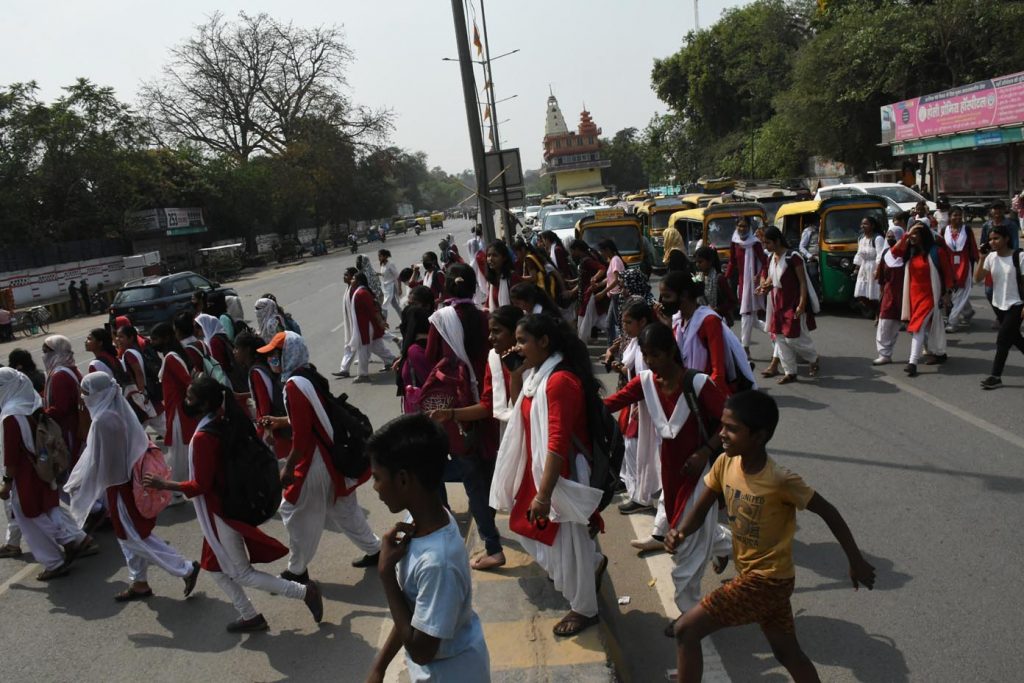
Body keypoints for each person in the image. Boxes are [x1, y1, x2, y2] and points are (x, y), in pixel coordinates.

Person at [669, 390, 876, 682]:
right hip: (763, 578)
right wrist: (680, 532)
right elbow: (701, 509)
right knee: (787, 653)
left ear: (759, 436)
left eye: (732, 429)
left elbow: (829, 512)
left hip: (766, 581)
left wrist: (856, 561)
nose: (722, 435)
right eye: (722, 426)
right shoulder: (725, 463)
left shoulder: (780, 479)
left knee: (686, 629)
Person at [144, 376, 324, 632]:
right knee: (214, 567)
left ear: (205, 403)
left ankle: (303, 592)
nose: (186, 402)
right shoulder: (226, 421)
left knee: (241, 573)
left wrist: (165, 485)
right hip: (225, 509)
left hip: (220, 514)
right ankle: (249, 615)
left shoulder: (205, 437)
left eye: (190, 399)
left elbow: (200, 486)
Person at [604, 323, 732, 632]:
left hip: (701, 474)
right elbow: (612, 402)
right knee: (692, 529)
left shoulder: (698, 384)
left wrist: (705, 450)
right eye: (646, 355)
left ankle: (689, 617)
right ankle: (727, 545)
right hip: (671, 473)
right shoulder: (646, 382)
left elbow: (729, 422)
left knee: (684, 550)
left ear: (672, 352)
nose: (650, 361)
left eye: (656, 354)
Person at [489, 314, 607, 638]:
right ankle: (592, 567)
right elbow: (519, 411)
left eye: (522, 340)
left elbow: (556, 442)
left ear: (544, 342)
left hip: (563, 474)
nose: (516, 346)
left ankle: (585, 608)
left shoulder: (559, 382)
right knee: (528, 528)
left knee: (571, 543)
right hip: (541, 470)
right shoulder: (536, 377)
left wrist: (543, 495)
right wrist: (516, 372)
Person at [366, 414, 491, 682]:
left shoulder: (437, 563)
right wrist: (379, 666)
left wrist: (386, 575)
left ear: (403, 480)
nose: (375, 488)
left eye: (377, 477)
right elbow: (413, 611)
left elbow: (421, 650)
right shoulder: (422, 520)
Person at [257, 332, 382, 583]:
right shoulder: (306, 374)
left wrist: (289, 468)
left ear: (288, 354)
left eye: (275, 354)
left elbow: (303, 435)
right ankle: (375, 550)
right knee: (344, 508)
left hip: (317, 459)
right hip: (329, 455)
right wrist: (282, 421)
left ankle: (297, 570)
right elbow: (310, 417)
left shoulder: (294, 385)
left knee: (292, 509)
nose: (271, 359)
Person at [65, 372, 199, 601]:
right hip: (123, 483)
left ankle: (185, 568)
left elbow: (101, 461)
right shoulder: (115, 411)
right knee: (127, 536)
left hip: (121, 486)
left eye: (86, 392)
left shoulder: (103, 421)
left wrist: (85, 486)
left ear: (98, 394)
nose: (83, 396)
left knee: (133, 537)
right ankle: (139, 582)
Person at [428, 304, 525, 571]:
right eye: (489, 331)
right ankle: (492, 540)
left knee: (484, 488)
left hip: (512, 435)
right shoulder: (492, 356)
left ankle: (494, 545)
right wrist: (452, 413)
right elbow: (490, 403)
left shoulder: (521, 358)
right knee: (484, 488)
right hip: (495, 435)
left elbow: (501, 405)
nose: (491, 337)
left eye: (497, 331)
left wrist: (451, 413)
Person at [0, 368, 91, 581]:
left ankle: (55, 559)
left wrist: (7, 481)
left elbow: (12, 453)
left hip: (26, 473)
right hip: (43, 467)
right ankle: (76, 540)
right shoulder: (31, 401)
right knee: (48, 509)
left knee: (28, 516)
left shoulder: (11, 415)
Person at [658, 271, 754, 396]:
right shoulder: (677, 320)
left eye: (667, 296)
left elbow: (718, 370)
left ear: (684, 295)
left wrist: (707, 397)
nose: (662, 301)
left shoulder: (708, 321)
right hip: (686, 389)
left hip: (706, 390)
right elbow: (676, 359)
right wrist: (667, 326)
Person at [606, 300, 658, 516]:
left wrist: (640, 402)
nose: (624, 326)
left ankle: (642, 496)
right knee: (632, 446)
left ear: (642, 321)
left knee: (637, 447)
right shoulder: (636, 342)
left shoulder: (648, 344)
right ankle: (637, 490)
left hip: (646, 402)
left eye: (629, 322)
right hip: (637, 401)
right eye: (623, 322)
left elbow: (648, 376)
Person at [889, 221, 953, 377]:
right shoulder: (909, 252)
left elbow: (948, 274)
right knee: (927, 327)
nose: (913, 236)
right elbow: (894, 252)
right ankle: (938, 352)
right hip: (913, 297)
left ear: (924, 235)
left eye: (917, 233)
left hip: (931, 295)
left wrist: (947, 294)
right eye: (912, 233)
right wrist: (907, 235)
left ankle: (912, 363)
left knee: (917, 327)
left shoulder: (937, 252)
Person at [760, 227, 820, 384]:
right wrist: (764, 286)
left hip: (791, 302)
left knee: (793, 338)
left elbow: (802, 282)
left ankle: (813, 358)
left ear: (777, 241)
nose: (765, 246)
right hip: (776, 303)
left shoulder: (793, 257)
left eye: (768, 242)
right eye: (764, 243)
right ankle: (790, 372)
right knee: (780, 338)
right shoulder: (771, 258)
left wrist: (801, 303)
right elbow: (770, 279)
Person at [973, 224, 1024, 390]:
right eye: (990, 239)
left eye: (996, 238)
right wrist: (981, 257)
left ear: (1006, 239)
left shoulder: (1019, 256)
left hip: (1017, 304)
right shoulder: (991, 258)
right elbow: (978, 279)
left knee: (1003, 339)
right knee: (1015, 338)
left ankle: (995, 376)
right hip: (998, 304)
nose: (992, 242)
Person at [149, 323, 196, 489]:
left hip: (179, 414)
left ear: (166, 338)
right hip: (175, 412)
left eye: (155, 339)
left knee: (178, 455)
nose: (152, 342)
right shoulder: (169, 357)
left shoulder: (171, 358)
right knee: (179, 454)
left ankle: (174, 491)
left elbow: (188, 383)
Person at [234, 331, 291, 458]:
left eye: (237, 348)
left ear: (247, 350)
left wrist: (266, 431)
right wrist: (242, 395)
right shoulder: (261, 366)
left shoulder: (255, 372)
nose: (234, 352)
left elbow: (264, 405)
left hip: (274, 432)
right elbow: (263, 392)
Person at [339, 272, 397, 384]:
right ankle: (396, 361)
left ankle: (363, 375)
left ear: (359, 281)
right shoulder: (358, 291)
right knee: (377, 347)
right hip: (363, 326)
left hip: (365, 327)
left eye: (353, 278)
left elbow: (373, 309)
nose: (351, 280)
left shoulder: (362, 293)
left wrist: (380, 322)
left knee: (363, 350)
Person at [724, 218, 767, 357]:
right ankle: (776, 333)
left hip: (753, 282)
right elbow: (732, 262)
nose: (742, 229)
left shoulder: (755, 243)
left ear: (749, 227)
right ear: (736, 226)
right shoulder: (735, 242)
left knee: (746, 314)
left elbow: (765, 262)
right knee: (752, 320)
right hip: (742, 282)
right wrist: (724, 278)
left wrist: (760, 275)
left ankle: (745, 348)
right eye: (739, 226)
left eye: (744, 226)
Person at [41, 335, 84, 460]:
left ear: (57, 352)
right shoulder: (70, 368)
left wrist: (41, 414)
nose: (44, 356)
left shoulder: (60, 375)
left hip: (68, 428)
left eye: (46, 352)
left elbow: (61, 408)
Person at [116, 324, 163, 431]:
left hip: (143, 398)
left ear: (131, 338)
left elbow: (139, 373)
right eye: (117, 336)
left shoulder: (129, 353)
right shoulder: (136, 349)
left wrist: (142, 393)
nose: (118, 340)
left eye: (121, 337)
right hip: (145, 398)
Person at [942, 206, 980, 332]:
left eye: (960, 215)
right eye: (955, 215)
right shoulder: (944, 230)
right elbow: (942, 249)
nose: (958, 218)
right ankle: (967, 311)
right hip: (949, 265)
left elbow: (973, 248)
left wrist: (977, 263)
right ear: (950, 216)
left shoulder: (967, 230)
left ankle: (952, 322)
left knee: (959, 292)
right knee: (955, 292)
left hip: (964, 264)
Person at [873, 227, 906, 366]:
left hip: (906, 295)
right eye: (889, 236)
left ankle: (930, 349)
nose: (891, 239)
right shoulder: (885, 253)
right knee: (885, 325)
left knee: (918, 326)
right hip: (889, 295)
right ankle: (885, 354)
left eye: (893, 236)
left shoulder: (907, 254)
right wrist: (881, 296)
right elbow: (881, 278)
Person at [569, 239, 609, 339]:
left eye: (572, 251)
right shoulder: (585, 260)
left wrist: (594, 279)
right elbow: (584, 276)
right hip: (586, 296)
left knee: (584, 324)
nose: (572, 254)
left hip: (588, 296)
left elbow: (602, 268)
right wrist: (573, 282)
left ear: (577, 249)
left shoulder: (586, 260)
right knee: (598, 320)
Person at [593, 239, 626, 345]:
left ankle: (620, 348)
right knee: (609, 324)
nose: (601, 254)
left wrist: (603, 292)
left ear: (607, 250)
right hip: (613, 296)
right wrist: (599, 284)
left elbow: (617, 280)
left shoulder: (615, 260)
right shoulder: (612, 260)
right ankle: (611, 348)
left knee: (619, 324)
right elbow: (609, 278)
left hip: (617, 295)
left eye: (602, 251)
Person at [693, 246, 735, 326]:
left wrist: (717, 309)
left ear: (709, 262)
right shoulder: (698, 278)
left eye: (700, 262)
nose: (697, 265)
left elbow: (732, 302)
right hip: (702, 319)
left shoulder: (719, 279)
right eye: (696, 262)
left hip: (720, 320)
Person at [852, 216, 885, 318]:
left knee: (875, 295)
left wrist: (878, 270)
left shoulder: (878, 238)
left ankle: (879, 314)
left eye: (865, 224)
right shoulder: (861, 238)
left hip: (874, 267)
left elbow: (880, 255)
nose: (863, 226)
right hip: (864, 268)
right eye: (862, 224)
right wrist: (856, 268)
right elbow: (859, 254)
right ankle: (877, 311)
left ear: (872, 226)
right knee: (861, 294)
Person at [334, 267, 360, 379]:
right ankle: (344, 369)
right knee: (350, 345)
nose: (344, 277)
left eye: (346, 275)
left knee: (374, 344)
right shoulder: (349, 288)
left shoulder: (355, 290)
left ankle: (390, 359)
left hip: (356, 324)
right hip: (350, 324)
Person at [484, 240, 520, 310]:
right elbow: (489, 303)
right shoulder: (492, 280)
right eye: (488, 255)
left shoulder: (512, 277)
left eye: (495, 255)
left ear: (504, 258)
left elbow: (520, 305)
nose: (490, 259)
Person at [379, 249, 403, 321]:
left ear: (385, 256)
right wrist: (378, 274)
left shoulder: (390, 264)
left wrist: (399, 288)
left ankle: (383, 324)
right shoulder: (383, 264)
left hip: (391, 287)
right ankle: (404, 320)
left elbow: (398, 277)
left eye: (380, 256)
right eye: (379, 256)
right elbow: (385, 274)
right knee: (395, 305)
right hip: (386, 287)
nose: (379, 257)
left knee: (384, 305)